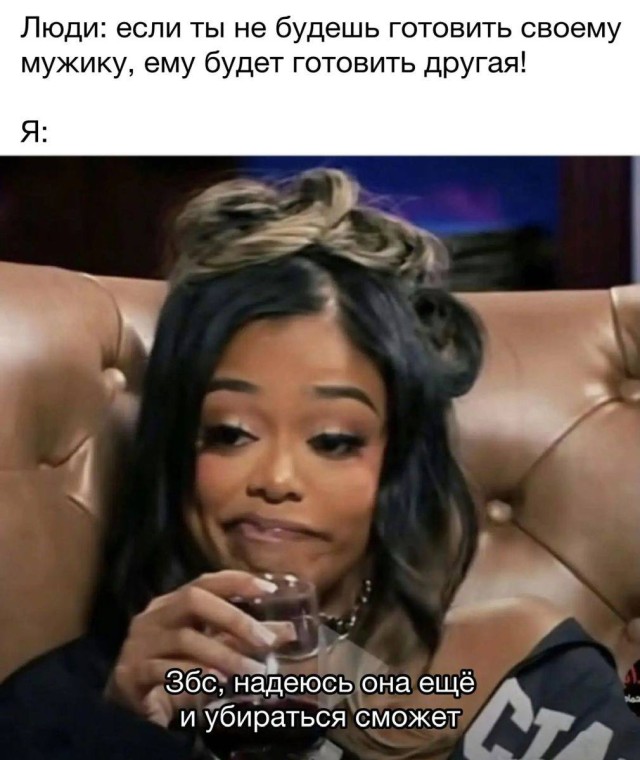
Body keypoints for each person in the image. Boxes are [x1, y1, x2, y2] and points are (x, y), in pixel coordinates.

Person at [1, 169, 638, 760]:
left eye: (333, 441)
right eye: (230, 433)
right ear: (175, 448)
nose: (277, 480)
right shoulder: (60, 707)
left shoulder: (525, 675)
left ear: (398, 464)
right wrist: (122, 731)